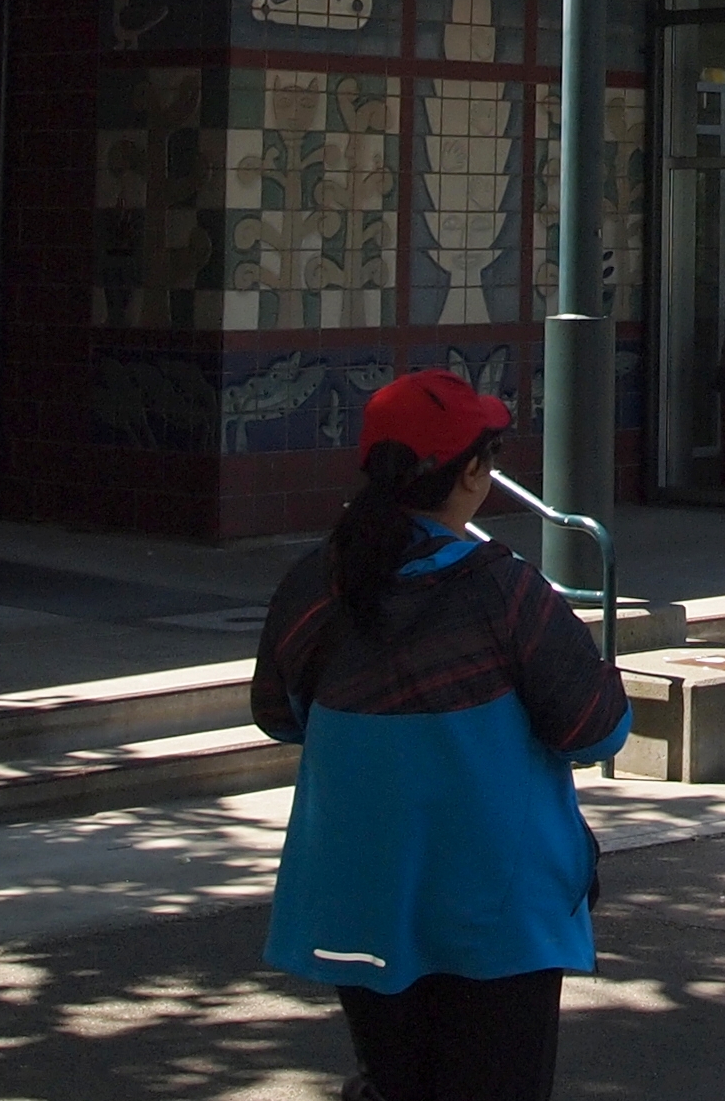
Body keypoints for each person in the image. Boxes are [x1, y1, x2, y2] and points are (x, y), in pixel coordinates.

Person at [252, 370, 633, 1100]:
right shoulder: (508, 592)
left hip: (357, 894)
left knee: (395, 1082)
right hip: (497, 911)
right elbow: (597, 729)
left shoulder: (317, 582)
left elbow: (275, 712)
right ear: (471, 474)